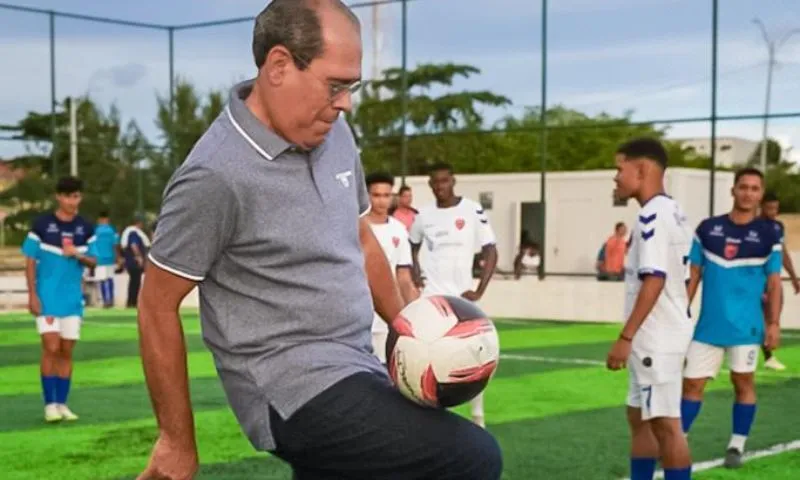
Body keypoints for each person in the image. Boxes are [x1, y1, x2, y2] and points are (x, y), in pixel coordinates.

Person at [135, 2, 502, 479]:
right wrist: (176, 442)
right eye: (335, 85)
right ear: (279, 66)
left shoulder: (335, 133)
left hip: (356, 365)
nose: (346, 102)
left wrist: (407, 327)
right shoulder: (214, 175)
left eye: (351, 87)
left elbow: (360, 239)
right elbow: (156, 304)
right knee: (469, 456)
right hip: (289, 388)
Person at [681, 167, 783, 469]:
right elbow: (694, 275)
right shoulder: (707, 229)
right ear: (733, 190)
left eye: (754, 188)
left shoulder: (770, 233)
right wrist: (679, 314)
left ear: (760, 194)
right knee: (692, 386)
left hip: (747, 328)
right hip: (708, 327)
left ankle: (736, 445)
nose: (748, 193)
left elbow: (775, 282)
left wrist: (774, 323)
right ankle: (678, 439)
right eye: (743, 187)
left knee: (743, 382)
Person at [605, 138, 694, 480]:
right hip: (660, 334)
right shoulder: (674, 210)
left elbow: (654, 279)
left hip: (655, 338)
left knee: (666, 425)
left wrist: (625, 337)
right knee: (638, 416)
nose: (615, 177)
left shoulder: (651, 214)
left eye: (619, 168)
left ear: (640, 169)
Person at [409, 161, 499, 429]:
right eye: (435, 182)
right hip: (433, 300)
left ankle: (478, 417)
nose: (440, 186)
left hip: (463, 301)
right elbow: (411, 246)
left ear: (453, 181)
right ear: (430, 185)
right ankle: (431, 418)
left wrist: (480, 289)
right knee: (428, 358)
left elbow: (491, 250)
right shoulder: (423, 215)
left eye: (444, 181)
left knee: (475, 355)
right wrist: (415, 274)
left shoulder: (471, 209)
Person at [21, 176, 98, 423]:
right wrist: (32, 295)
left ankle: (63, 404)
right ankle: (49, 405)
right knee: (51, 347)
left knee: (66, 351)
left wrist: (76, 253)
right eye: (67, 196)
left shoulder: (86, 228)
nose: (72, 201)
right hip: (47, 298)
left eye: (76, 196)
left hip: (72, 300)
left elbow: (94, 260)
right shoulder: (42, 225)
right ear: (58, 197)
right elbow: (30, 261)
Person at [365, 171, 420, 364]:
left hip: (386, 319)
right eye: (376, 195)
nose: (381, 201)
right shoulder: (355, 227)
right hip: (358, 319)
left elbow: (403, 276)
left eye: (386, 195)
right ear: (366, 195)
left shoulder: (398, 229)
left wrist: (415, 312)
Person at [759, 191, 798, 371]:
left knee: (773, 315)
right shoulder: (753, 225)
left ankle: (768, 355)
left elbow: (782, 253)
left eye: (775, 208)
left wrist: (793, 276)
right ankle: (766, 355)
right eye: (769, 208)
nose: (773, 212)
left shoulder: (778, 227)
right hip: (757, 278)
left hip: (773, 277)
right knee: (757, 317)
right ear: (762, 207)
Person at [120, 216, 150, 308]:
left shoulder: (129, 232)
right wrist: (139, 257)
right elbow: (134, 245)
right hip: (134, 262)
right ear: (138, 223)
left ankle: (132, 302)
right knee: (135, 282)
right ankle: (132, 302)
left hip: (131, 261)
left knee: (134, 282)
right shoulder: (133, 233)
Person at [93, 211, 119, 308]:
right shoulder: (112, 230)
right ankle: (110, 299)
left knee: (102, 280)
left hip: (99, 259)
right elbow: (115, 244)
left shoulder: (96, 231)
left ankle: (105, 300)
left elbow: (92, 245)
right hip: (110, 258)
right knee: (110, 279)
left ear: (99, 220)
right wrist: (117, 257)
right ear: (107, 219)